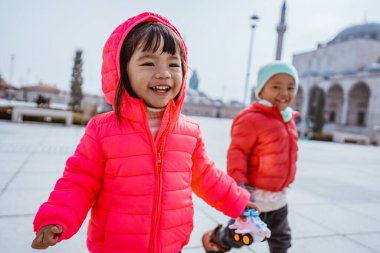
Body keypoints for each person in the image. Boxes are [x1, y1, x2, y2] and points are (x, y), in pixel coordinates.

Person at [31, 12, 254, 253]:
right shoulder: (103, 130)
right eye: (148, 63)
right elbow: (79, 181)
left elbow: (207, 177)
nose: (164, 73)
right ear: (122, 71)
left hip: (171, 245)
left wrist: (238, 202)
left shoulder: (189, 131)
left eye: (173, 64)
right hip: (115, 246)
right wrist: (57, 217)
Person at [202, 61, 299, 253]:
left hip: (278, 197)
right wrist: (239, 184)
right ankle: (216, 239)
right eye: (276, 86)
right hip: (254, 196)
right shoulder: (251, 118)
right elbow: (238, 153)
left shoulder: (289, 119)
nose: (284, 92)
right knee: (242, 236)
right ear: (261, 91)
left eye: (290, 87)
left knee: (282, 238)